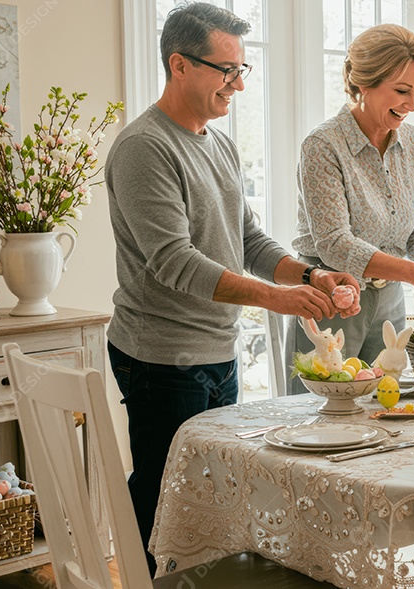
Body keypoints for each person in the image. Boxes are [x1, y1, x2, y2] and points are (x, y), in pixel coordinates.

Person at [104, 2, 359, 574]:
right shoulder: (145, 147)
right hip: (161, 355)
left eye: (241, 70)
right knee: (165, 496)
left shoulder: (218, 144)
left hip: (217, 349)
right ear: (179, 65)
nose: (238, 85)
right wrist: (275, 298)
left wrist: (310, 275)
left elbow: (247, 239)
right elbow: (174, 263)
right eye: (226, 70)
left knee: (210, 494)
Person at [289, 24, 414, 391]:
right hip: (332, 299)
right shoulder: (323, 145)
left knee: (386, 409)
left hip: (391, 303)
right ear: (364, 84)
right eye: (402, 91)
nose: (413, 104)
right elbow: (334, 244)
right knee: (322, 414)